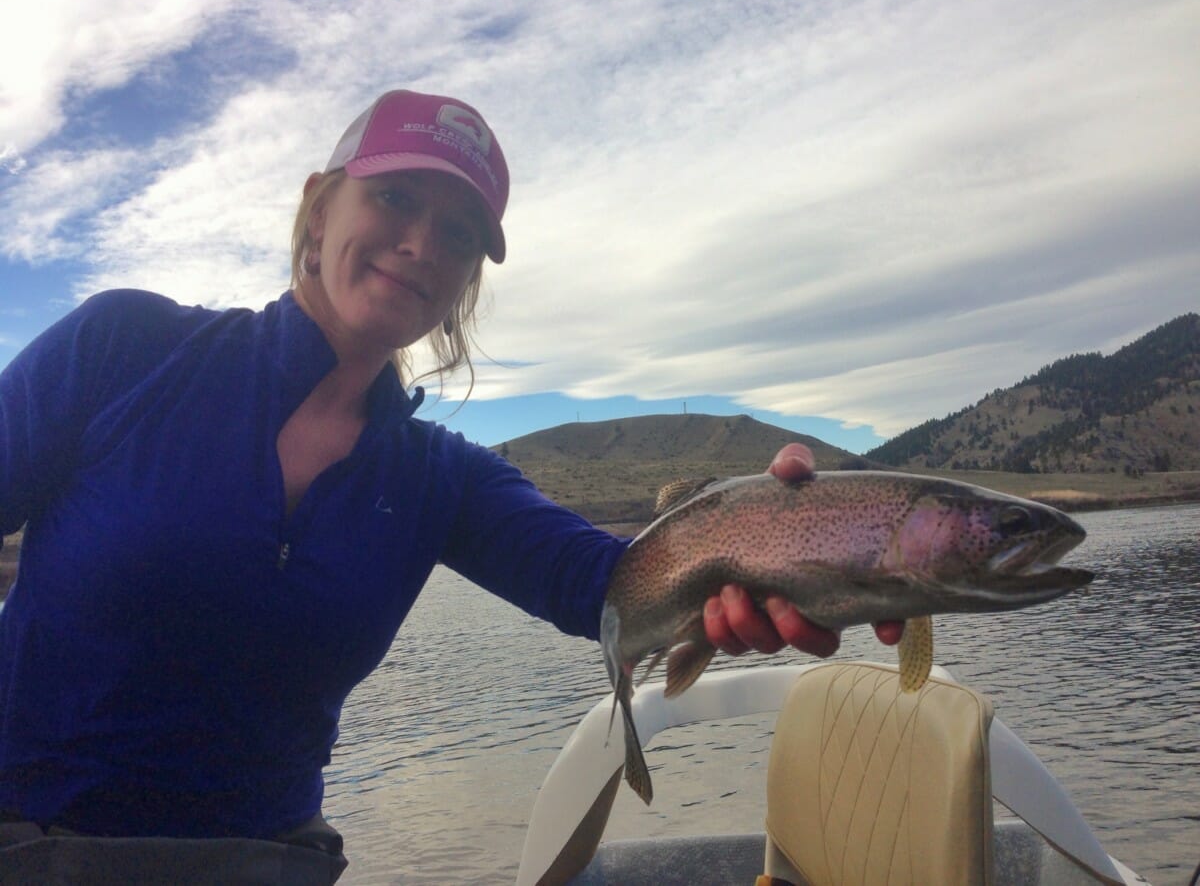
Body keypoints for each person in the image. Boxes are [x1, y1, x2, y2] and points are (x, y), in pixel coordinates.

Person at [0, 89, 899, 883]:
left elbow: (612, 588)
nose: (422, 243)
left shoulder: (440, 477)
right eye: (395, 197)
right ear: (318, 206)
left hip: (264, 860)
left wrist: (794, 537)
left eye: (460, 233)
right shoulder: (126, 348)